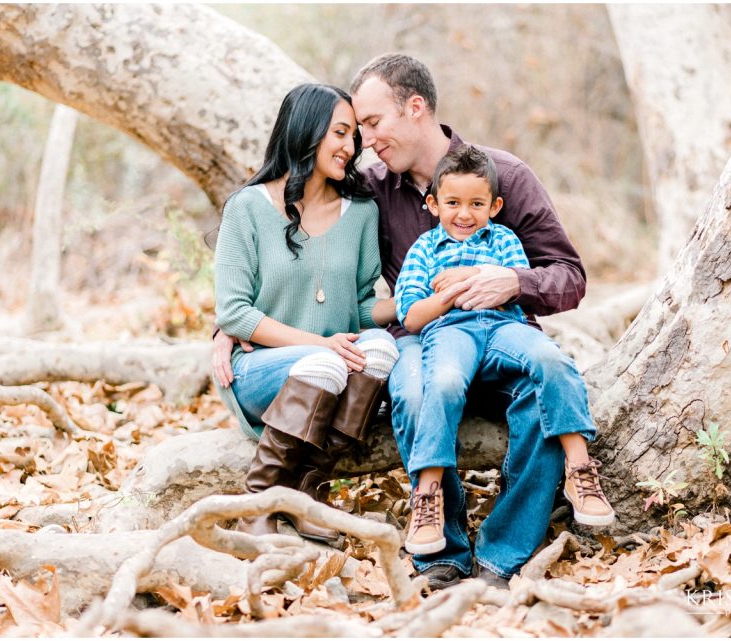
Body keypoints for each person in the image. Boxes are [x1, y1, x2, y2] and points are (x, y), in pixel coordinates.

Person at [348, 53, 615, 589]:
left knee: (541, 391)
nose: (366, 140)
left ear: (415, 107)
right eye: (359, 129)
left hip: (502, 333)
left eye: (373, 123)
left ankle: (503, 558)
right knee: (419, 387)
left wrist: (514, 283)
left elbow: (569, 276)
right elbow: (303, 241)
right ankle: (441, 552)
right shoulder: (371, 188)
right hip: (424, 335)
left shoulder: (506, 177)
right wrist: (232, 323)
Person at [393, 145, 614, 557]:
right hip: (449, 331)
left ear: (494, 206)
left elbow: (518, 287)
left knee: (552, 359)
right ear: (433, 204)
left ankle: (580, 470)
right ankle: (427, 495)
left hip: (502, 326)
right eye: (453, 203)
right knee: (440, 382)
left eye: (476, 204)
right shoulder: (424, 249)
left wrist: (477, 274)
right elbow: (411, 317)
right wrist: (456, 292)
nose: (464, 214)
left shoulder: (505, 239)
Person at [213, 83, 398, 542]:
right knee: (326, 361)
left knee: (381, 349)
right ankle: (258, 504)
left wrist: (417, 303)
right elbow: (234, 313)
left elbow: (359, 306)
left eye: (353, 135)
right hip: (260, 371)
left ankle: (310, 493)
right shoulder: (247, 208)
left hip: (332, 368)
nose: (351, 147)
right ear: (305, 130)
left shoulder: (361, 213)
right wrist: (321, 344)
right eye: (340, 132)